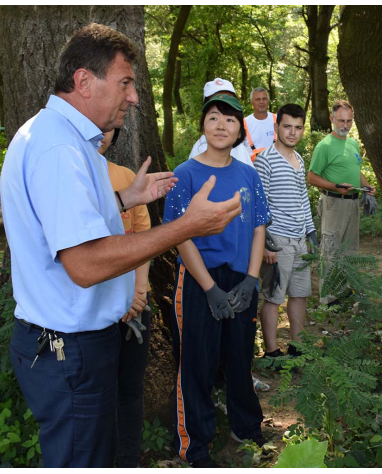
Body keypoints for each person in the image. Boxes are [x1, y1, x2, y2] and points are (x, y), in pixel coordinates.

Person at [0, 24, 241, 468]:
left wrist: (125, 198)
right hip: (69, 348)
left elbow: (65, 223)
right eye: (125, 82)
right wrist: (185, 227)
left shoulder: (62, 138)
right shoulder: (58, 148)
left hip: (74, 345)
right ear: (84, 81)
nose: (134, 98)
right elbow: (86, 264)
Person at [163, 93, 270, 468]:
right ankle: (194, 446)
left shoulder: (248, 174)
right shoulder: (185, 174)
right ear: (202, 127)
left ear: (240, 130)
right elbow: (179, 235)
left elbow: (258, 227)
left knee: (240, 356)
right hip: (199, 280)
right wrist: (209, 289)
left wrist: (251, 279)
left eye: (229, 119)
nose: (221, 125)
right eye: (213, 117)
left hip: (241, 278)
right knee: (198, 362)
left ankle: (246, 427)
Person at [97, 129, 152, 467]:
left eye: (108, 129)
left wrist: (138, 292)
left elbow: (143, 238)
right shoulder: (71, 177)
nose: (101, 134)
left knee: (130, 387)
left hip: (135, 306)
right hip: (98, 309)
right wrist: (116, 300)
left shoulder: (126, 177)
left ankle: (129, 459)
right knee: (99, 392)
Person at [253, 103, 315, 361]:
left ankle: (297, 347)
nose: (292, 132)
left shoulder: (299, 159)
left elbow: (303, 198)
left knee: (299, 295)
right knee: (273, 297)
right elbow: (260, 204)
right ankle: (271, 353)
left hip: (300, 240)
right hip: (277, 241)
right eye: (287, 126)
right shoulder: (265, 160)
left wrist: (311, 231)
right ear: (276, 126)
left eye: (298, 127)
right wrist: (266, 244)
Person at [306, 99, 376, 306]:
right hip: (334, 203)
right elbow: (311, 177)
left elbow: (355, 170)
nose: (345, 125)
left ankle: (342, 290)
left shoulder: (352, 143)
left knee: (349, 249)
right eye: (341, 121)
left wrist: (367, 186)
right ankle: (327, 299)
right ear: (332, 119)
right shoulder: (325, 146)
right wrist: (335, 186)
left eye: (349, 121)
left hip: (353, 203)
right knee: (331, 250)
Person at [189, 78, 253, 166]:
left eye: (228, 98)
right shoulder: (199, 149)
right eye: (216, 98)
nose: (223, 101)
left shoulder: (240, 147)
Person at [244, 87, 276, 159]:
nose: (261, 102)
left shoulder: (278, 120)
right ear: (252, 103)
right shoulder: (244, 123)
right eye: (258, 99)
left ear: (268, 101)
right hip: (252, 165)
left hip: (276, 164)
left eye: (264, 99)